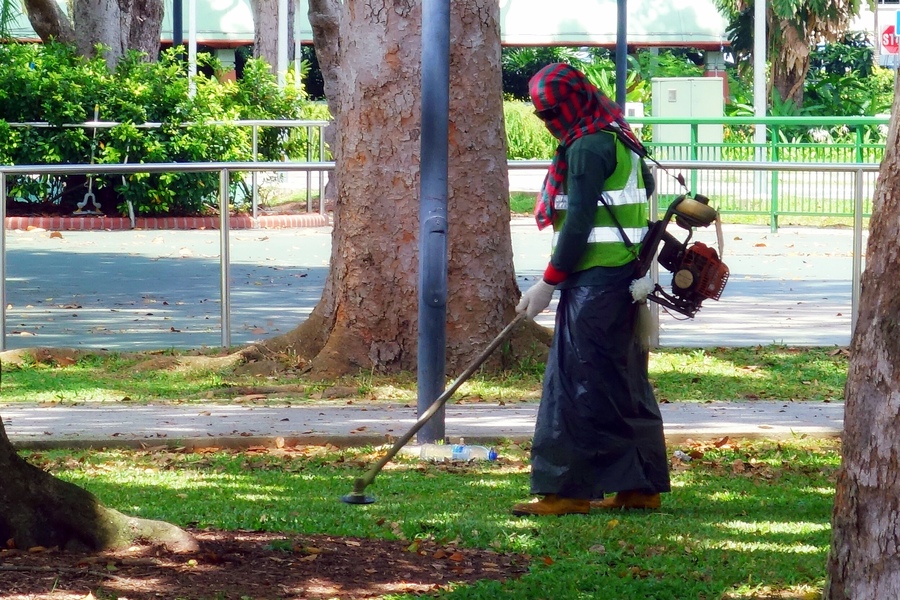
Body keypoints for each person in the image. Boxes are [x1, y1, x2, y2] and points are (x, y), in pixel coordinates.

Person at [512, 63, 670, 516]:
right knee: (622, 382)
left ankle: (567, 492)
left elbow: (578, 223)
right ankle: (641, 487)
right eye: (541, 114)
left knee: (575, 383)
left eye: (552, 113)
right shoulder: (621, 136)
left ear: (574, 103)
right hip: (625, 278)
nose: (548, 122)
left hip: (595, 282)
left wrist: (547, 282)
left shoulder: (585, 148)